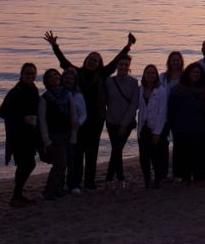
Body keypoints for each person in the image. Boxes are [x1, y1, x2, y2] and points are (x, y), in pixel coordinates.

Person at [43, 31, 135, 190]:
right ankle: (75, 183)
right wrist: (55, 46)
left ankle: (90, 183)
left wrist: (128, 46)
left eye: (95, 60)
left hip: (96, 119)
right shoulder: (77, 73)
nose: (92, 61)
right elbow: (64, 62)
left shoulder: (102, 74)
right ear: (85, 60)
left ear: (99, 63)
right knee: (77, 152)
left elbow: (115, 61)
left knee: (92, 152)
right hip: (79, 120)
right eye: (90, 59)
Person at [0, 63, 40, 207]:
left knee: (27, 164)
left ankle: (17, 195)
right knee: (26, 164)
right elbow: (2, 112)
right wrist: (23, 119)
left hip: (30, 134)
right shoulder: (15, 92)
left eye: (33, 73)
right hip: (17, 135)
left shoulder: (33, 89)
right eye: (27, 73)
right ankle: (16, 196)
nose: (30, 76)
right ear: (21, 75)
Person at [167, 63, 205, 182]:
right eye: (193, 72)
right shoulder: (177, 89)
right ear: (188, 73)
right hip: (182, 125)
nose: (195, 74)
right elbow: (171, 109)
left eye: (198, 72)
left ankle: (200, 174)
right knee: (182, 151)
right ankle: (183, 174)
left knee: (200, 151)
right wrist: (172, 125)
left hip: (199, 125)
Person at [38, 68, 73, 201]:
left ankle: (59, 189)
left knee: (64, 162)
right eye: (50, 76)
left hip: (67, 132)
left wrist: (74, 132)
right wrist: (46, 140)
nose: (54, 77)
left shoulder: (67, 94)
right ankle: (49, 191)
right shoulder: (45, 98)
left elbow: (73, 114)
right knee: (60, 164)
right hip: (54, 134)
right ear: (46, 81)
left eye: (56, 75)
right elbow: (42, 121)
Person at [105, 56, 139, 184]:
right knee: (116, 148)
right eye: (121, 64)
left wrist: (124, 124)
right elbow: (105, 101)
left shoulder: (133, 82)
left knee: (117, 148)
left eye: (126, 65)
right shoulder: (109, 81)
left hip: (127, 123)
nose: (123, 67)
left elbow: (134, 105)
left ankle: (110, 176)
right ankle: (119, 175)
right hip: (111, 121)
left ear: (129, 66)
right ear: (117, 66)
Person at [137, 64, 168, 189]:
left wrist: (157, 132)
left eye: (153, 73)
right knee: (144, 156)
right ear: (144, 75)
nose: (150, 75)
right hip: (143, 127)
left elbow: (162, 112)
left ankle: (157, 180)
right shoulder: (141, 89)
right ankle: (147, 179)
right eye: (148, 73)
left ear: (156, 75)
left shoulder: (161, 91)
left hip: (155, 127)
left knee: (156, 156)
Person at [62, 68, 87, 195]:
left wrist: (79, 123)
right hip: (60, 130)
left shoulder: (78, 95)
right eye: (66, 78)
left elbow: (83, 113)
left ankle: (74, 184)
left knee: (75, 158)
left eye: (71, 79)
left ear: (75, 80)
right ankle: (60, 184)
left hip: (74, 131)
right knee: (62, 159)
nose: (68, 81)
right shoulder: (57, 93)